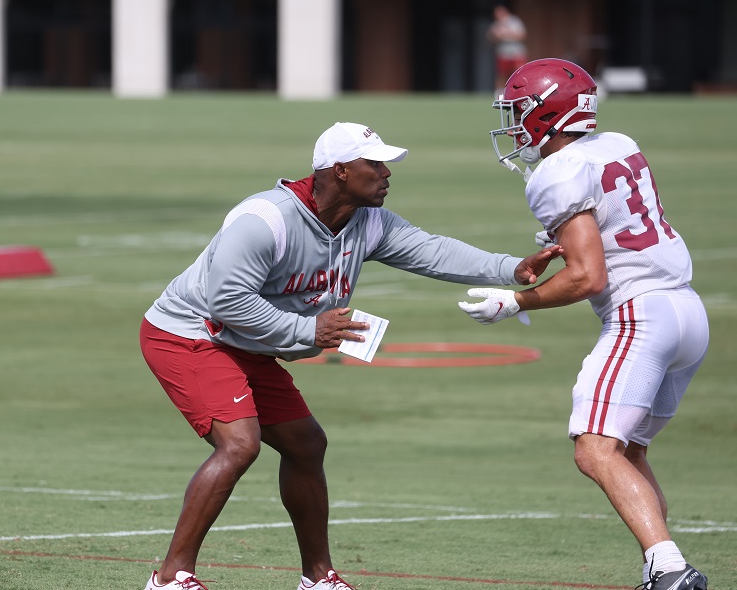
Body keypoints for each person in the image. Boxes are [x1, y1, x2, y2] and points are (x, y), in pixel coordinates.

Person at [139, 122, 563, 590]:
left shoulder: (368, 220)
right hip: (190, 335)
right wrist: (307, 329)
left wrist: (511, 269)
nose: (386, 174)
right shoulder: (265, 220)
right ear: (339, 171)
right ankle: (171, 577)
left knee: (306, 444)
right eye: (374, 164)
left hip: (246, 344)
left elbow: (431, 250)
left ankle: (318, 579)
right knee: (240, 444)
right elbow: (226, 302)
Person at [458, 58, 709, 590]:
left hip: (641, 315)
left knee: (594, 448)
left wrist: (516, 302)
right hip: (688, 311)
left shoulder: (557, 171)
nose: (514, 122)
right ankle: (661, 567)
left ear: (548, 111)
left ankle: (668, 570)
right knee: (628, 452)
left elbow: (589, 277)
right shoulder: (618, 142)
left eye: (521, 109)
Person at [486, 5, 528, 94]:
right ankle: (499, 93)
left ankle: (522, 91)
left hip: (516, 53)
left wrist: (506, 35)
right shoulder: (496, 25)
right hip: (503, 53)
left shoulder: (514, 22)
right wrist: (495, 36)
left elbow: (522, 35)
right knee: (502, 74)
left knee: (520, 72)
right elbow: (490, 38)